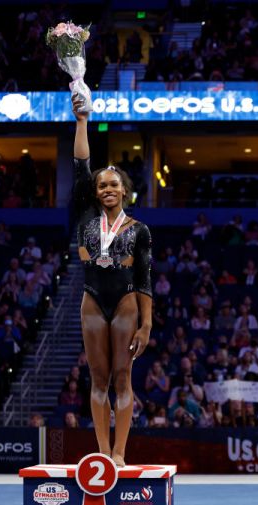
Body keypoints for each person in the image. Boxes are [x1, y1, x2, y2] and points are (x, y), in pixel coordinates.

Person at [73, 94, 152, 467]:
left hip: (125, 303)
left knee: (123, 377)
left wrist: (147, 325)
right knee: (98, 377)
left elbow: (144, 279)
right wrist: (82, 121)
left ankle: (121, 452)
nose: (106, 189)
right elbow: (80, 163)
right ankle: (103, 452)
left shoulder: (139, 230)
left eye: (113, 185)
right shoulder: (85, 216)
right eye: (101, 185)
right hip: (92, 301)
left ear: (124, 190)